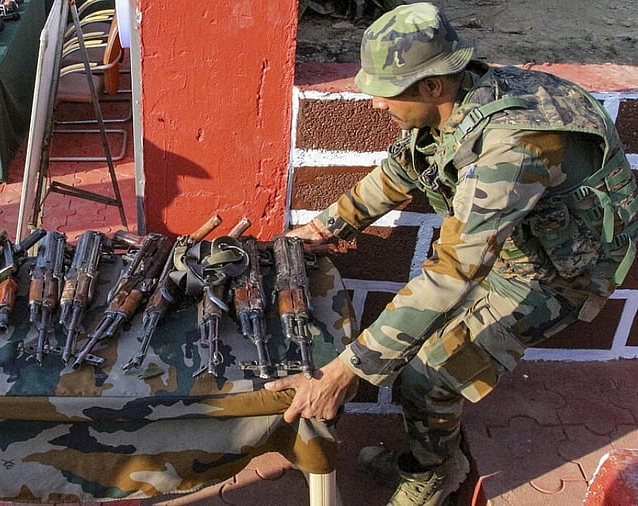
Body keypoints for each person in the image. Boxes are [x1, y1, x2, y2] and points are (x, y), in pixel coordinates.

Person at [264, 3, 638, 505]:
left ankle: (433, 471)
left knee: (429, 374)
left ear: (433, 85)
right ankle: (429, 452)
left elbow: (453, 273)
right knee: (411, 348)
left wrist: (344, 372)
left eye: (386, 93)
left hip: (556, 274)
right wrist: (322, 228)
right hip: (508, 244)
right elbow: (403, 170)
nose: (375, 104)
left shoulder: (513, 146)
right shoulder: (461, 97)